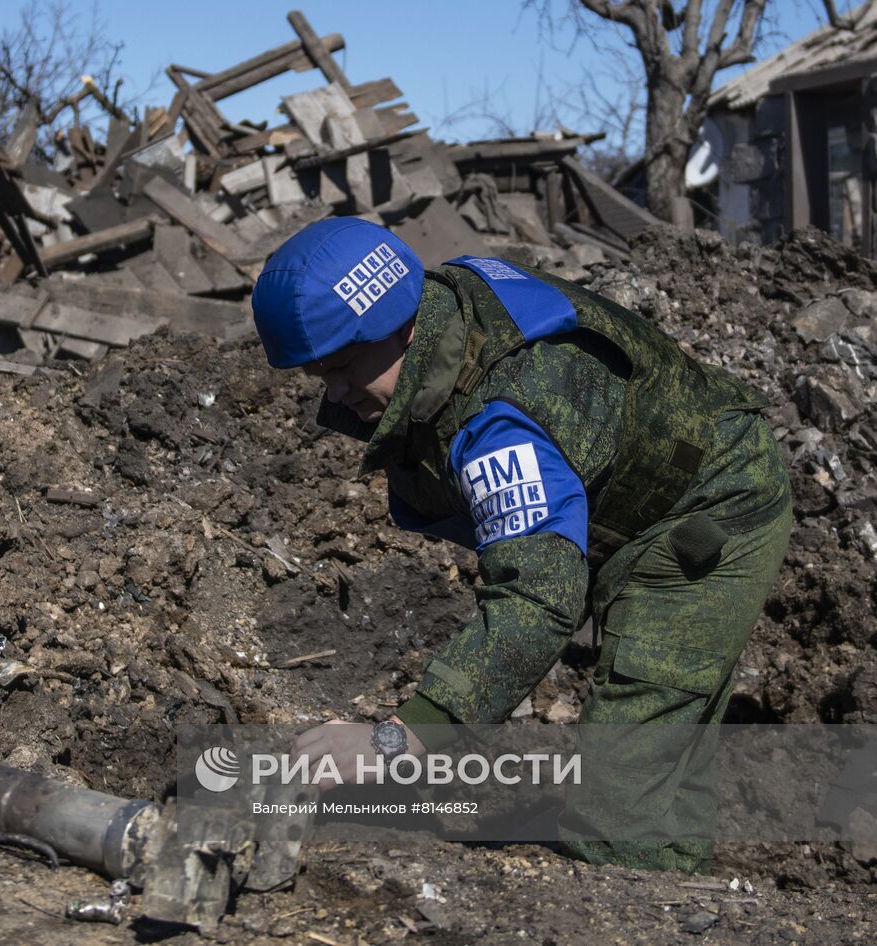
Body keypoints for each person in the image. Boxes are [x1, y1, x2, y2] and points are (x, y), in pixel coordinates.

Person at [254, 218, 792, 873]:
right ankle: (678, 875)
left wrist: (396, 742)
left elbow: (537, 598)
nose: (332, 394)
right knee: (658, 743)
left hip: (708, 502)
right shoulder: (444, 313)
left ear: (404, 327)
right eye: (318, 376)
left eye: (340, 369)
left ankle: (644, 896)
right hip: (631, 493)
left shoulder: (498, 418)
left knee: (623, 779)